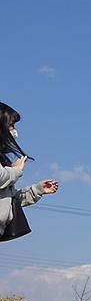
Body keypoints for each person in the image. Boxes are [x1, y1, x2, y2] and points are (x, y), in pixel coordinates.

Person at [0, 102, 59, 239]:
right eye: (11, 125)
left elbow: (9, 200)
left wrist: (37, 190)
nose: (14, 131)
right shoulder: (9, 171)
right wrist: (15, 171)